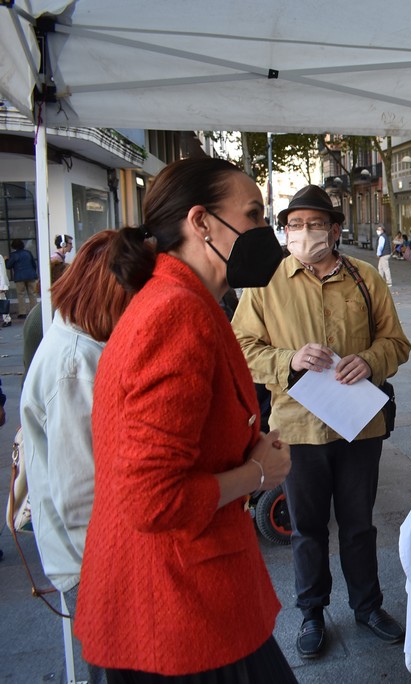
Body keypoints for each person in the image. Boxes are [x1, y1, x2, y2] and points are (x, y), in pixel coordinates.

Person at [75, 157, 295, 681]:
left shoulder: (181, 301)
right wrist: (257, 474)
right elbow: (152, 499)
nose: (267, 229)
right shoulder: (176, 312)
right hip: (177, 613)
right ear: (201, 223)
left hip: (182, 606)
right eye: (254, 214)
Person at [233, 185, 411, 658]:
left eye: (314, 224)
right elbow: (242, 348)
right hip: (297, 429)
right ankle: (311, 612)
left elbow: (397, 343)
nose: (304, 232)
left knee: (358, 524)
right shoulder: (265, 281)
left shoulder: (365, 277)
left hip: (359, 425)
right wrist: (291, 359)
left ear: (334, 230)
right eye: (294, 224)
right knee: (307, 527)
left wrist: (371, 361)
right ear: (285, 230)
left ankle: (367, 606)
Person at [21, 231, 132, 683]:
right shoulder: (75, 361)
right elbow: (80, 490)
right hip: (95, 563)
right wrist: (114, 575)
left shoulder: (80, 340)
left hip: (96, 556)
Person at [6, 238, 39, 318]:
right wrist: (33, 273)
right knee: (32, 294)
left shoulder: (14, 255)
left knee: (21, 294)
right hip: (31, 275)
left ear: (14, 246)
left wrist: (6, 260)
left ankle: (22, 312)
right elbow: (34, 264)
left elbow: (8, 266)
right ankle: (33, 311)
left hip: (19, 277)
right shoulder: (28, 253)